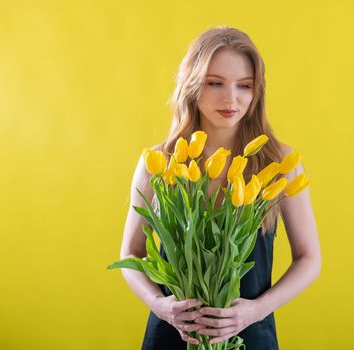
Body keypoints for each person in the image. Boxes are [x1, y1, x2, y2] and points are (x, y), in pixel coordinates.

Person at [119, 26, 321, 349]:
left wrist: (255, 311)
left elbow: (310, 259)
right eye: (215, 83)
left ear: (257, 92)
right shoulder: (160, 162)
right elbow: (130, 254)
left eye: (244, 86)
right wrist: (163, 307)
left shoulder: (277, 164)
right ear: (192, 85)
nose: (231, 98)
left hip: (250, 334)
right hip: (173, 335)